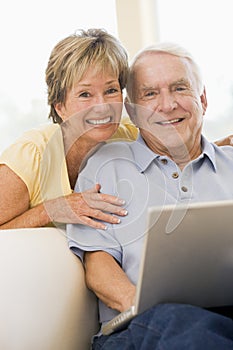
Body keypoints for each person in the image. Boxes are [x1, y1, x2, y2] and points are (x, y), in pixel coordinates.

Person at [67, 42, 233, 349]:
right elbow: (98, 264)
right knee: (187, 326)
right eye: (150, 94)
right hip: (140, 328)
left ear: (203, 99)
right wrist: (140, 303)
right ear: (133, 110)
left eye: (180, 88)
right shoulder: (107, 166)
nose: (168, 105)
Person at [0, 28, 138, 229]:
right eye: (85, 94)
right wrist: (50, 210)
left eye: (111, 90)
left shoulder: (131, 138)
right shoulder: (31, 156)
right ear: (60, 106)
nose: (102, 106)